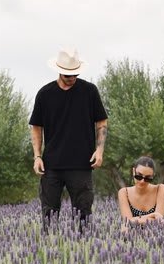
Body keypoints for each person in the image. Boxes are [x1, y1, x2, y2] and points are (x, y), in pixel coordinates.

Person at [29, 47, 108, 231]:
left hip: (81, 164)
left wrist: (100, 150)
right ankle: (50, 253)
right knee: (49, 217)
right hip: (52, 166)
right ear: (59, 71)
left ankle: (86, 254)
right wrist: (37, 157)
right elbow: (36, 127)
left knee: (84, 217)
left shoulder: (89, 91)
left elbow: (102, 121)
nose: (72, 78)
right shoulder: (45, 94)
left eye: (75, 74)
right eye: (68, 75)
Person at [118, 156, 164, 226]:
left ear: (153, 176)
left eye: (148, 178)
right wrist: (152, 215)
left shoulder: (161, 189)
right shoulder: (124, 192)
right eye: (139, 176)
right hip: (132, 235)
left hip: (157, 235)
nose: (142, 181)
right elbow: (127, 222)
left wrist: (134, 220)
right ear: (133, 171)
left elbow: (158, 221)